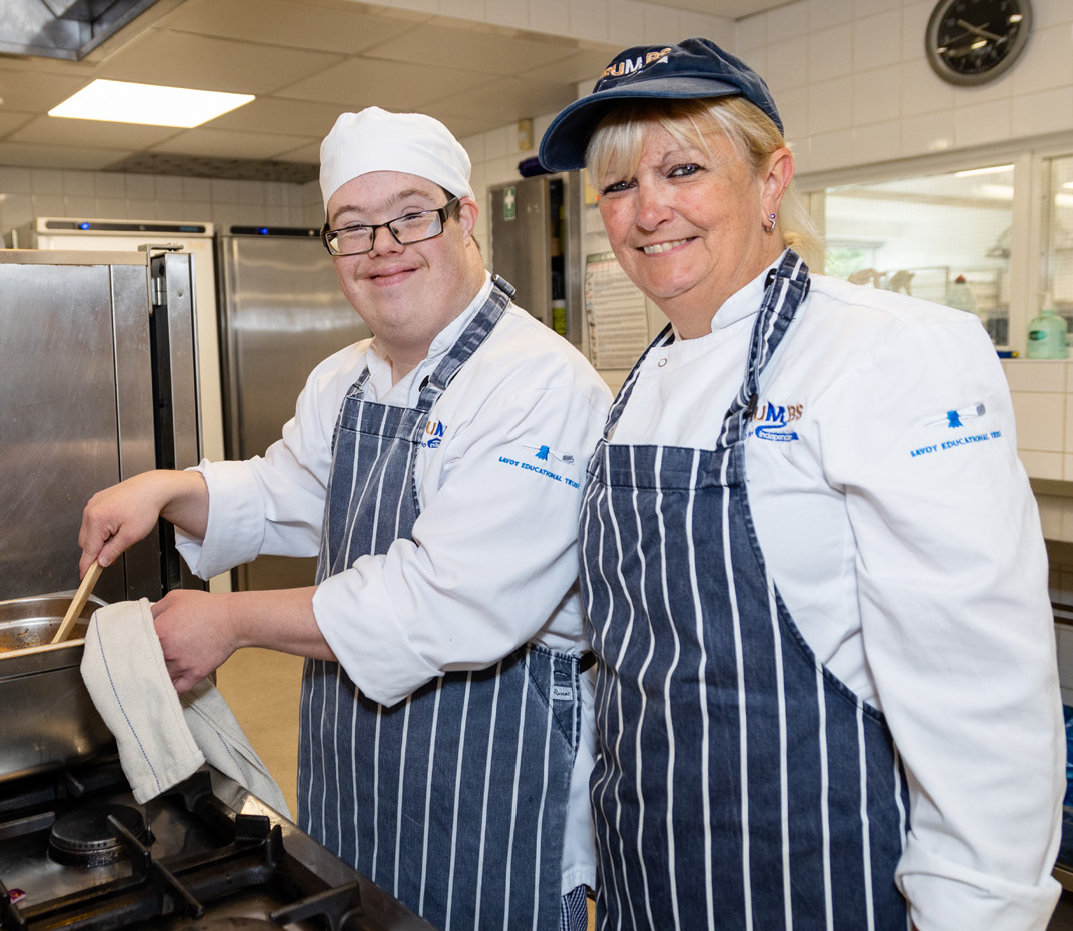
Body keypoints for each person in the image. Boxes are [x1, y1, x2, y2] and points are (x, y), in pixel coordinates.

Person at [539, 37, 1063, 931]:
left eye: (682, 168)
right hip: (649, 871)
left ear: (771, 178)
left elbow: (978, 699)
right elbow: (624, 665)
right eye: (619, 184)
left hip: (811, 878)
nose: (647, 208)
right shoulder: (642, 379)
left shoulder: (885, 350)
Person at [78, 105, 612, 931]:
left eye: (409, 215)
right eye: (353, 228)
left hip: (488, 783)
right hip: (353, 768)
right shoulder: (345, 379)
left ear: (465, 220)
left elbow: (442, 600)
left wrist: (230, 619)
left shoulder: (539, 383)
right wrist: (169, 487)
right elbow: (286, 493)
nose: (382, 248)